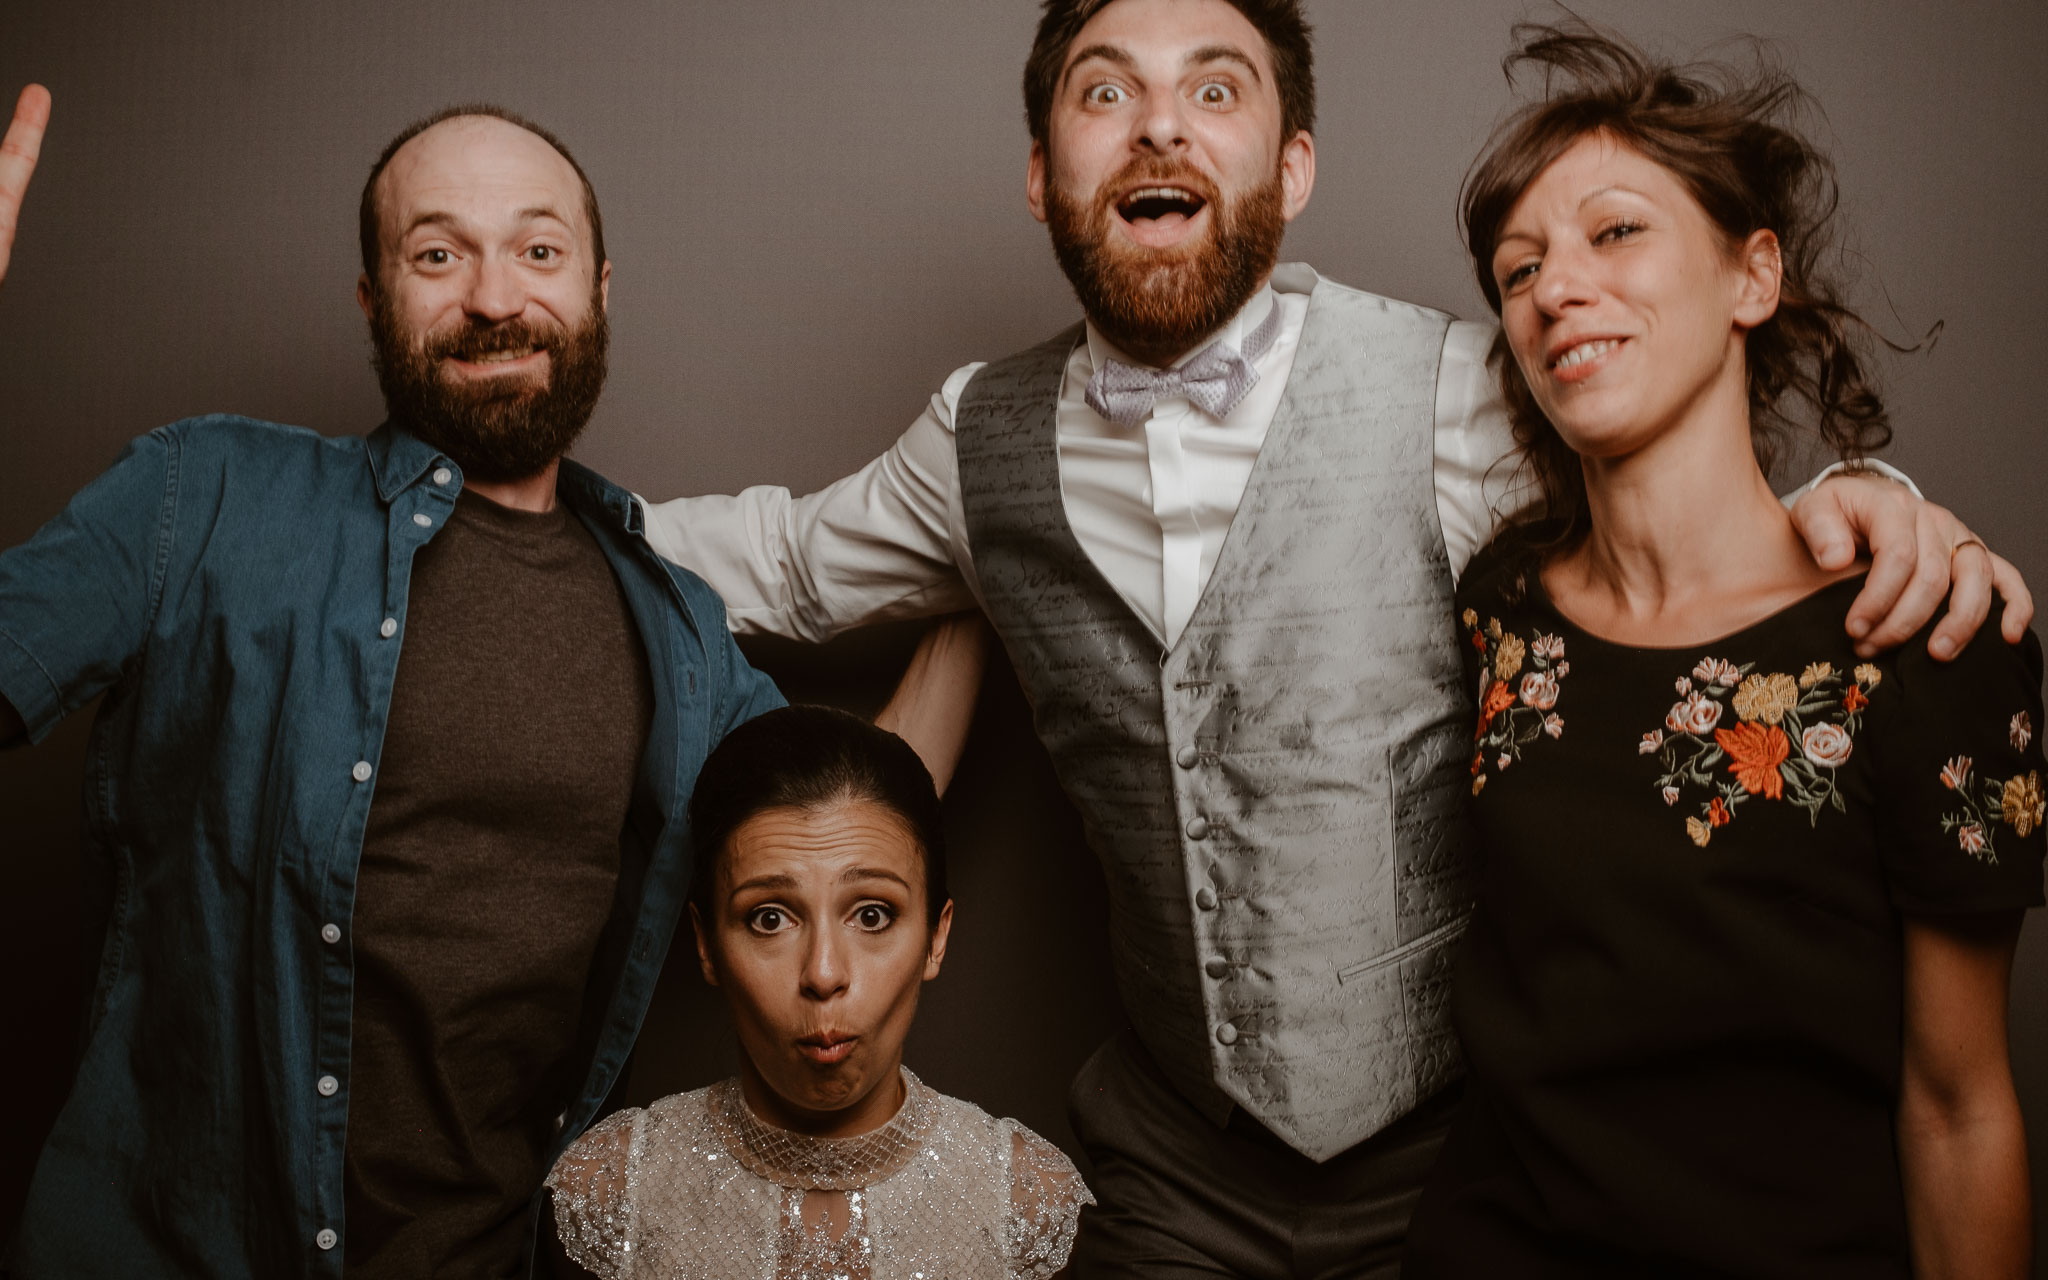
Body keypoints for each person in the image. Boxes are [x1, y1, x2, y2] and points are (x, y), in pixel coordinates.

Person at [628, 2, 2032, 1274]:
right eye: (1106, 93)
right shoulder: (971, 437)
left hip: (1453, 1160)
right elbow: (787, 562)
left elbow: (1675, 496)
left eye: (1216, 90)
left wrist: (1874, 504)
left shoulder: (1458, 386)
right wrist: (546, 511)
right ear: (1043, 175)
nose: (1162, 123)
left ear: (1293, 169)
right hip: (1170, 1161)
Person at [0, 90, 962, 1279]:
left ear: (600, 289)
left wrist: (996, 562)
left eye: (538, 250)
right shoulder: (197, 495)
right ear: (373, 299)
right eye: (439, 253)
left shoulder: (675, 632)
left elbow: (861, 818)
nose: (496, 297)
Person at [1400, 24, 2040, 1279]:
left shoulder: (1921, 636)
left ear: (1752, 277)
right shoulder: (1499, 604)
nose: (1553, 288)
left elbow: (1958, 1108)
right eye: (1517, 267)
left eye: (1615, 231)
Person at [545, 703, 1091, 1279]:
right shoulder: (609, 1197)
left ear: (936, 935)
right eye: (770, 919)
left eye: (873, 915)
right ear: (706, 945)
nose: (824, 973)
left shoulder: (1029, 1208)